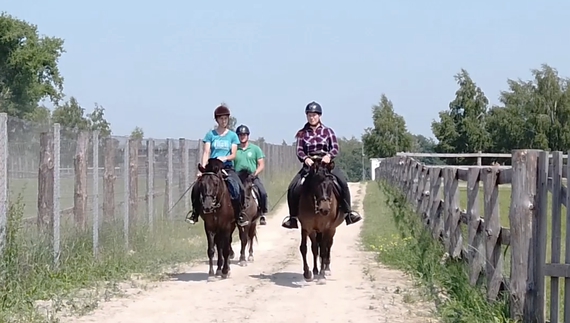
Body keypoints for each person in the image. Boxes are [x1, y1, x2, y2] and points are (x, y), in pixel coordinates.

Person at [281, 101, 363, 229]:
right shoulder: (302, 133)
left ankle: (348, 213)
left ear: (319, 116)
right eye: (309, 115)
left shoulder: (328, 131)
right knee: (293, 186)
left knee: (342, 182)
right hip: (310, 165)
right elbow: (299, 150)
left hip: (326, 165)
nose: (312, 117)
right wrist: (305, 158)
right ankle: (293, 218)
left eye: (314, 115)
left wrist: (329, 156)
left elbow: (335, 147)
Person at [185, 105, 249, 227]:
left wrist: (225, 157)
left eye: (225, 118)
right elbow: (206, 152)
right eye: (221, 118)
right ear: (217, 120)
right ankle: (195, 213)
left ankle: (240, 214)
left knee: (238, 187)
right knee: (197, 187)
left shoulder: (232, 136)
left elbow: (234, 154)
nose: (223, 121)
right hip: (212, 168)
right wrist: (202, 169)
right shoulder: (210, 135)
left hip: (226, 167)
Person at [234, 124, 269, 225]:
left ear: (248, 136)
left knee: (263, 192)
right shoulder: (235, 149)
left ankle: (262, 213)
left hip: (251, 176)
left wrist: (254, 174)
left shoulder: (255, 149)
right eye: (240, 135)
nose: (242, 137)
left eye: (244, 135)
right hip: (239, 177)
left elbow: (261, 164)